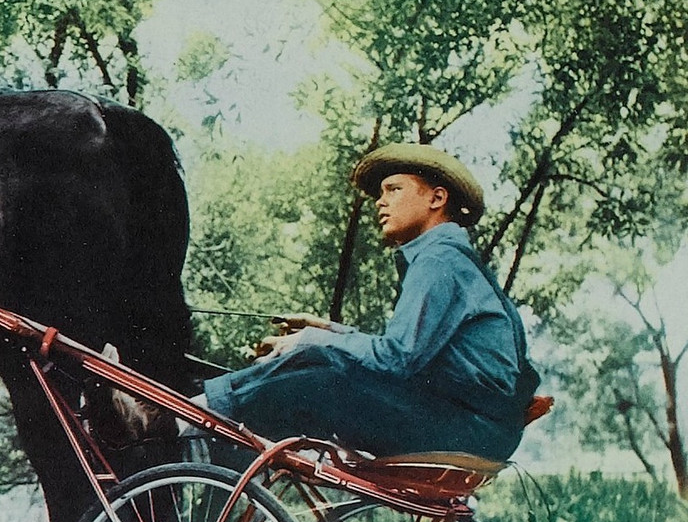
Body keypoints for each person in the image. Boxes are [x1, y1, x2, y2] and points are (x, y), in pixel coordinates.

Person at [120, 143, 540, 461]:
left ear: (436, 199)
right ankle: (173, 414)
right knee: (325, 363)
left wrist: (313, 342)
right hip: (470, 423)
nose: (380, 201)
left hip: (468, 429)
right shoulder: (446, 258)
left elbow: (398, 359)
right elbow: (409, 352)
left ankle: (169, 419)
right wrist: (325, 332)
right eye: (381, 192)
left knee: (324, 380)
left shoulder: (440, 260)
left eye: (394, 189)